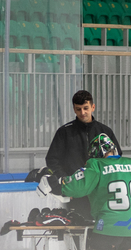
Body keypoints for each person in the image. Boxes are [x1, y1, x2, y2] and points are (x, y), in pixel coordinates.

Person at [44, 90, 122, 220]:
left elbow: (117, 159)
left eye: (86, 108)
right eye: (78, 109)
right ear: (74, 109)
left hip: (102, 194)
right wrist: (67, 182)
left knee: (103, 233)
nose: (82, 113)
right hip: (77, 196)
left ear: (93, 107)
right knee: (80, 234)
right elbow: (52, 160)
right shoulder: (64, 132)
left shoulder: (105, 132)